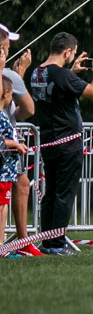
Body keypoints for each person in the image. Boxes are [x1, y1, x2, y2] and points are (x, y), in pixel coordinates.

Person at [29, 32, 93, 254]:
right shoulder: (62, 75)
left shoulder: (37, 72)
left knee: (51, 194)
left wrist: (71, 72)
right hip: (68, 143)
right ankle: (57, 245)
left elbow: (56, 90)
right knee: (64, 195)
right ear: (67, 52)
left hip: (49, 142)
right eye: (73, 52)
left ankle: (47, 242)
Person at [1, 27, 36, 253]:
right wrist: (20, 73)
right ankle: (21, 242)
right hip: (5, 145)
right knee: (12, 191)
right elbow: (28, 109)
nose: (9, 47)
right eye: (7, 44)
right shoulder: (9, 77)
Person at [0, 76, 29, 255]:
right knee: (1, 207)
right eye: (12, 95)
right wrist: (16, 145)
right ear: (5, 93)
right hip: (2, 172)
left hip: (6, 173)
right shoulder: (1, 117)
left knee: (3, 207)